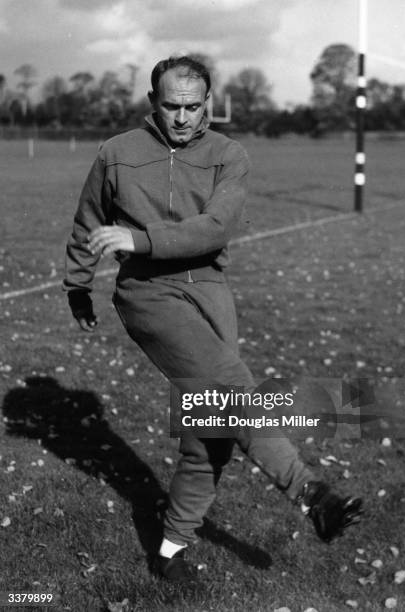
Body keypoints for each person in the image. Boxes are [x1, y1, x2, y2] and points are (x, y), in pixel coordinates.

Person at [63, 56, 363, 582]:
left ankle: (170, 548)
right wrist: (78, 287)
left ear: (208, 102)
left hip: (211, 292)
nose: (182, 117)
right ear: (152, 103)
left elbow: (216, 227)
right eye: (171, 105)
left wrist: (140, 236)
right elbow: (88, 218)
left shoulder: (229, 154)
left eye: (193, 106)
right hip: (148, 293)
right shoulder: (117, 153)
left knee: (212, 429)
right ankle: (311, 492)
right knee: (230, 391)